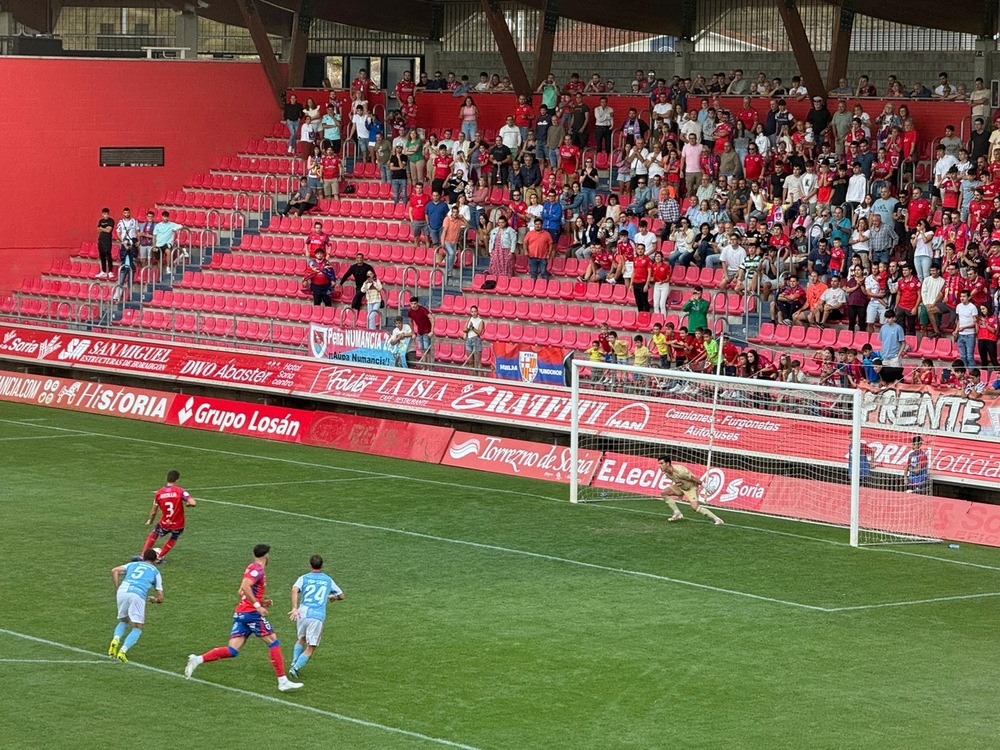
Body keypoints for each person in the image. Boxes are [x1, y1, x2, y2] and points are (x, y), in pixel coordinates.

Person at [185, 544, 302, 692]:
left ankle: (198, 659)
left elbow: (241, 591)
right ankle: (282, 681)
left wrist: (261, 600)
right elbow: (245, 587)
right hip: (251, 613)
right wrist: (258, 605)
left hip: (242, 612)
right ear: (266, 555)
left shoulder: (251, 567)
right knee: (273, 641)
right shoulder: (257, 569)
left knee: (232, 650)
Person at [287, 555, 344, 680]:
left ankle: (294, 661)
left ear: (310, 565)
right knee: (311, 647)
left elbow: (294, 589)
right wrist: (333, 597)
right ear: (322, 566)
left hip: (302, 612)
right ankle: (295, 667)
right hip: (317, 616)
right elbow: (341, 595)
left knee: (301, 638)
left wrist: (294, 608)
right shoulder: (328, 580)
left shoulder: (304, 578)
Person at [108, 548, 163, 663]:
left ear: (143, 557)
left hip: (123, 590)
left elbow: (114, 571)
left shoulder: (133, 564)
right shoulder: (155, 572)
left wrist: (118, 588)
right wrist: (154, 600)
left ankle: (115, 640)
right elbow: (160, 598)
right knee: (137, 627)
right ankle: (122, 651)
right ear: (155, 560)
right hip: (137, 594)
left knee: (123, 620)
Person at [140, 469, 196, 563]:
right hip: (178, 523)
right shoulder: (180, 491)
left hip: (165, 522)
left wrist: (150, 520)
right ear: (177, 480)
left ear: (166, 478)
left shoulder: (159, 493)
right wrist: (189, 504)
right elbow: (193, 502)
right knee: (174, 537)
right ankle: (159, 557)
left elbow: (154, 511)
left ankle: (143, 554)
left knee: (155, 533)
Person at [658, 455, 724, 525]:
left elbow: (693, 478)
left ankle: (717, 519)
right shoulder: (666, 473)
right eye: (659, 464)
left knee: (695, 507)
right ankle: (677, 513)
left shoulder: (680, 471)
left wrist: (704, 485)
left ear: (668, 464)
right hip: (681, 487)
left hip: (691, 488)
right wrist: (679, 493)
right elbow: (677, 480)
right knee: (664, 492)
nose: (660, 466)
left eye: (662, 463)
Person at [407, 296, 434, 363]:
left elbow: (432, 318)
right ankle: (424, 367)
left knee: (426, 350)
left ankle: (428, 367)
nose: (413, 305)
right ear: (410, 304)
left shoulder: (422, 309)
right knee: (422, 350)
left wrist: (432, 331)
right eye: (412, 304)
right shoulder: (410, 311)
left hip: (426, 331)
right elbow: (410, 321)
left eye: (415, 303)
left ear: (417, 303)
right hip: (420, 332)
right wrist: (413, 332)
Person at [464, 304, 485, 370]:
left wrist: (472, 327)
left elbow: (479, 332)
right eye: (472, 312)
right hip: (469, 339)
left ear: (477, 312)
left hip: (476, 340)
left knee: (478, 361)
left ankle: (480, 379)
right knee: (470, 362)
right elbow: (464, 329)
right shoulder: (469, 319)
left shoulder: (480, 321)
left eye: (475, 311)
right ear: (470, 312)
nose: (474, 313)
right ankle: (471, 377)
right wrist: (468, 328)